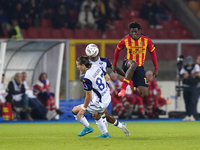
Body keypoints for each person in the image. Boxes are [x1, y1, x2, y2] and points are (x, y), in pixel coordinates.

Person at [84, 44, 130, 135]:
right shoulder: (88, 62)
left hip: (101, 90)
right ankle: (114, 127)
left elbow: (115, 69)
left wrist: (126, 76)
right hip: (97, 90)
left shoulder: (104, 61)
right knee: (100, 113)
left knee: (98, 113)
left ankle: (107, 128)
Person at [112, 21, 158, 98]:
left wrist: (156, 68)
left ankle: (133, 83)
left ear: (139, 31)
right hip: (128, 63)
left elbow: (153, 53)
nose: (133, 34)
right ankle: (123, 88)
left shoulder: (147, 40)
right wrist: (114, 64)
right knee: (133, 64)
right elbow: (117, 50)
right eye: (132, 32)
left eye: (135, 32)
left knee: (145, 94)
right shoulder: (126, 40)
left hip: (139, 68)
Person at [72, 56, 112, 138]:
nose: (77, 67)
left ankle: (88, 128)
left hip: (100, 102)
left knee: (75, 110)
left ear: (83, 65)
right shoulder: (96, 67)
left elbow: (88, 96)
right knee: (96, 115)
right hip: (107, 96)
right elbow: (107, 77)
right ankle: (105, 134)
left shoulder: (87, 78)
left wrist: (83, 109)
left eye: (78, 65)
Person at [180, 56, 200, 121]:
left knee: (193, 101)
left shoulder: (196, 66)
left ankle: (193, 115)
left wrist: (189, 75)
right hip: (186, 86)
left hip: (193, 86)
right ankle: (188, 115)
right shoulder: (184, 67)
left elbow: (197, 73)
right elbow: (180, 75)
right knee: (187, 101)